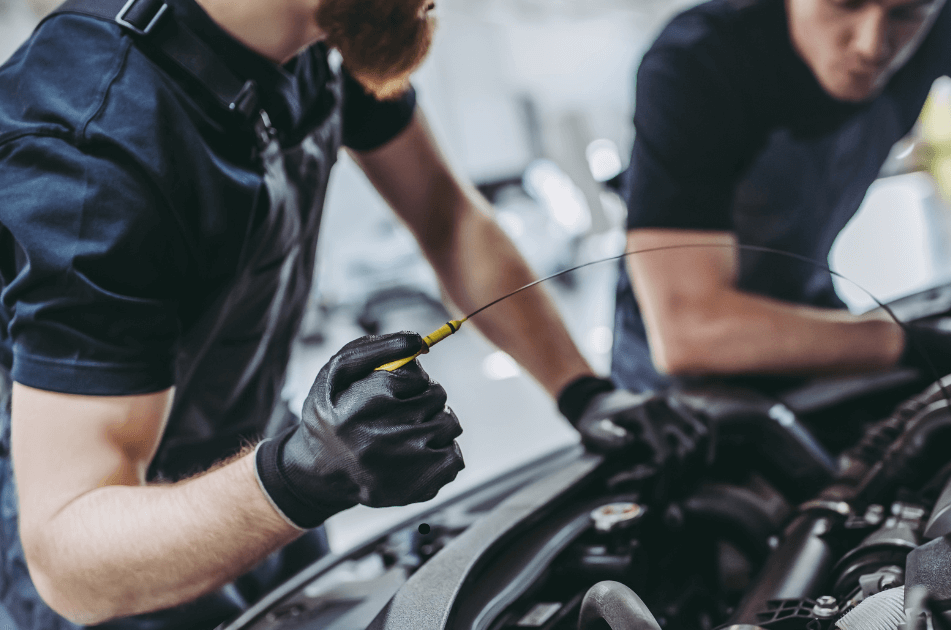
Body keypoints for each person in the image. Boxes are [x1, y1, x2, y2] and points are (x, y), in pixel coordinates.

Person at [0, 0, 673, 625]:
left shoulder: (325, 30)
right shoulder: (96, 146)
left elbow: (446, 215)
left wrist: (583, 391)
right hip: (126, 561)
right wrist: (297, 472)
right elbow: (69, 555)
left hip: (262, 483)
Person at [611, 0, 951, 393]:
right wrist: (908, 343)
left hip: (812, 314)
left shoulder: (941, 19)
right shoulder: (696, 65)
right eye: (846, 4)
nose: (872, 44)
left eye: (904, 14)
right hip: (677, 379)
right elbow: (689, 330)